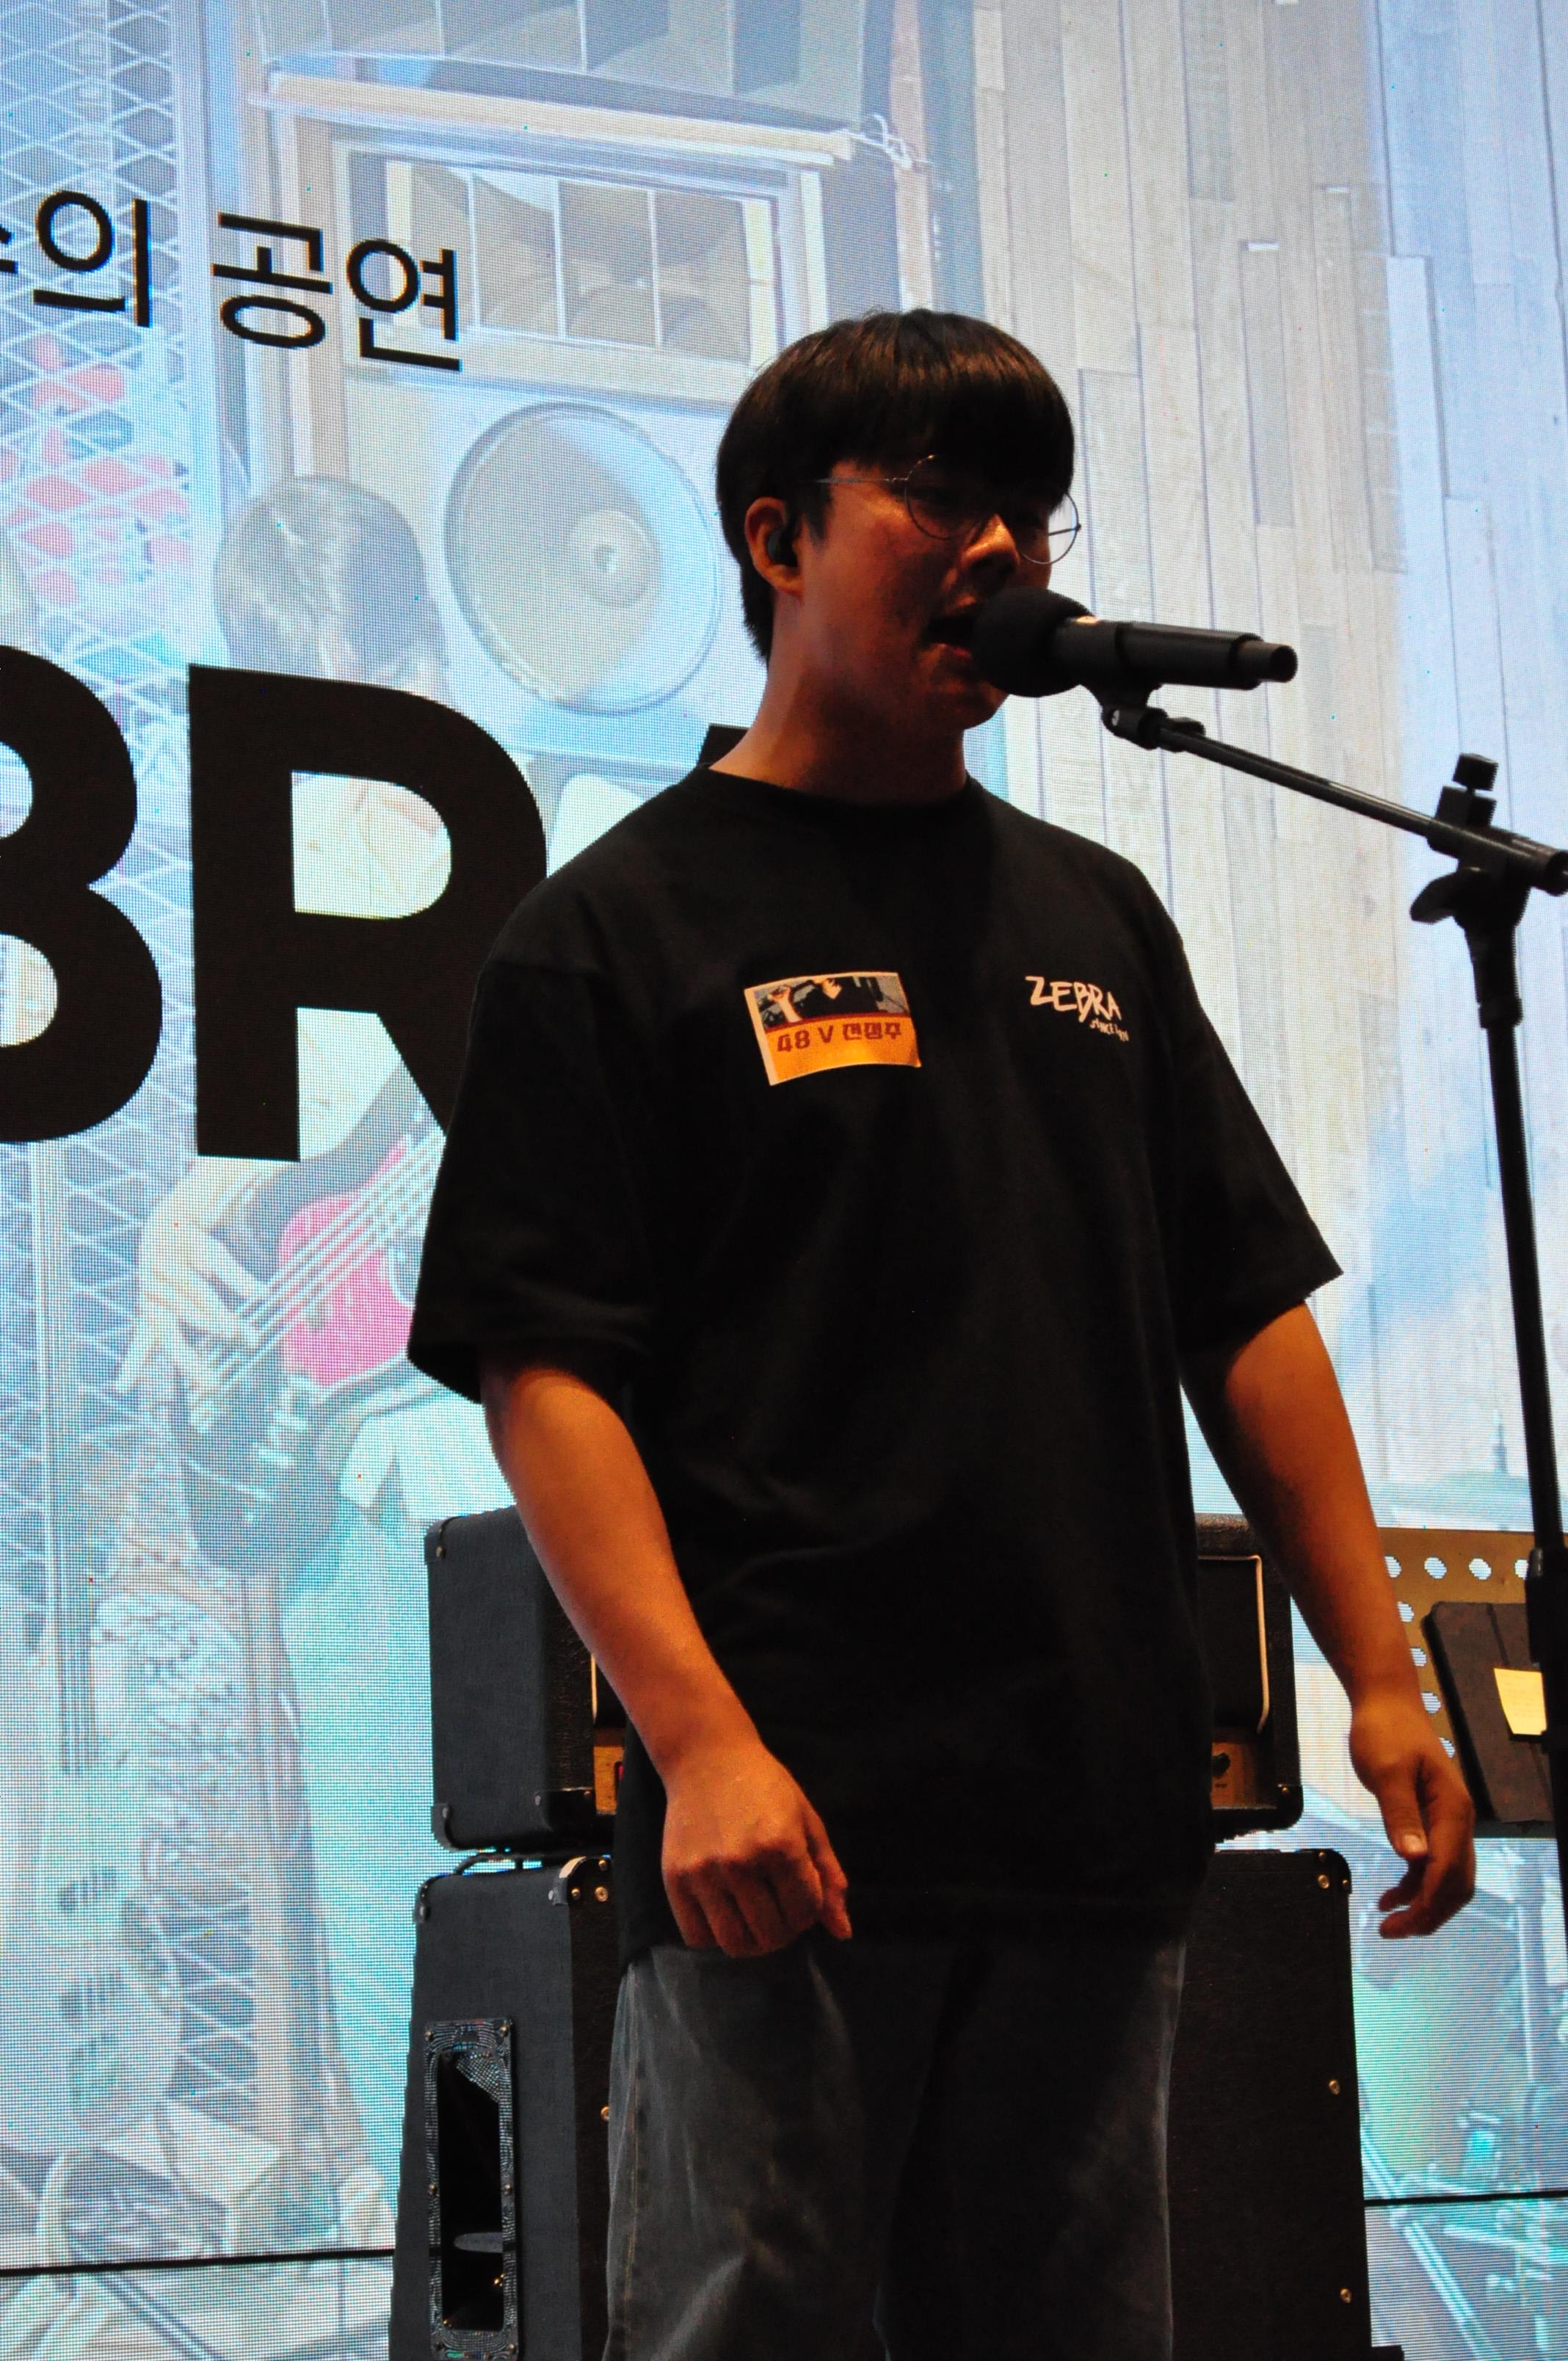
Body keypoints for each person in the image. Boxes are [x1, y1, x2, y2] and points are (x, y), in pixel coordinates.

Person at [406, 310, 1476, 2361]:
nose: (999, 549)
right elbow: (546, 1376)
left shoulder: (1097, 918)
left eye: (1028, 513)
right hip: (786, 1829)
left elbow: (1246, 1314)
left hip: (1093, 1810)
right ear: (778, 537)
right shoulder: (614, 930)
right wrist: (701, 1744)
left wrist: (1381, 1674)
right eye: (939, 497)